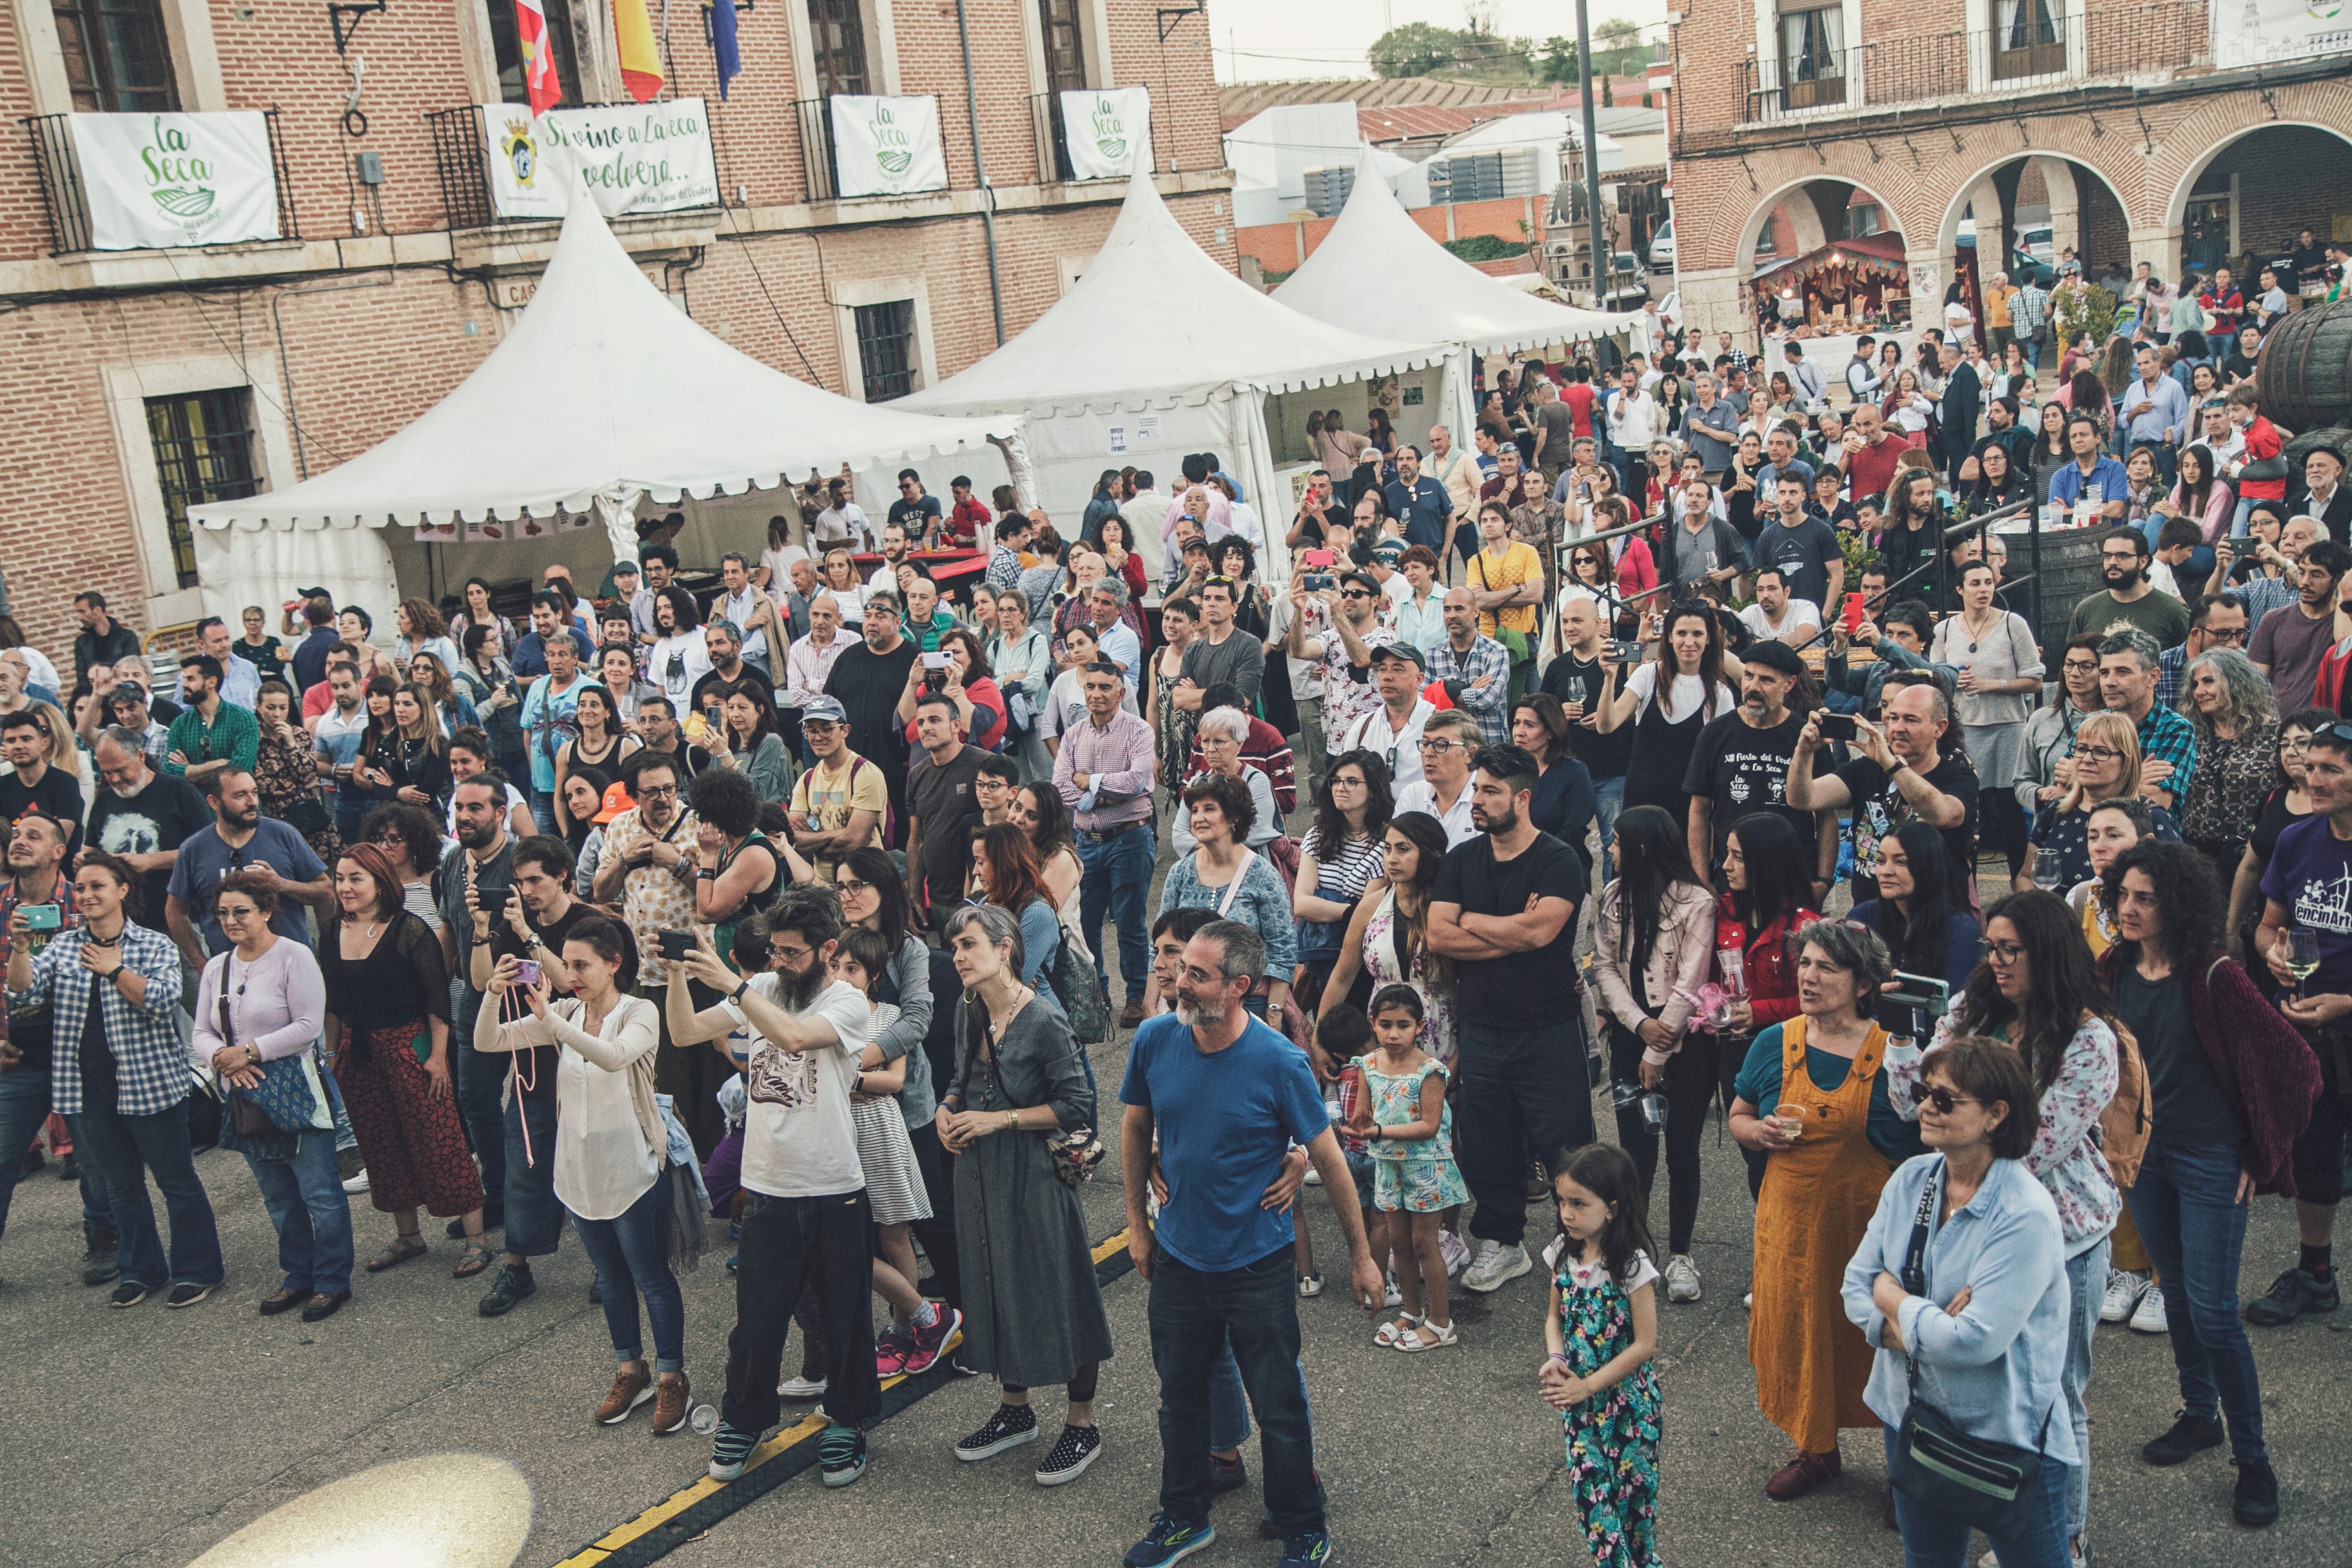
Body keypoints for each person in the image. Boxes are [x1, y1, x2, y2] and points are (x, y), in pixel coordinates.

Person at [1119, 918, 1378, 1568]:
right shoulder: (1155, 1039)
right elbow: (1134, 1128)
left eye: (1197, 975)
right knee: (1180, 1397)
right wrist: (1136, 1224)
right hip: (1179, 1254)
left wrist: (1364, 1258)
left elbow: (1331, 1157)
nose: (1180, 983)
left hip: (1257, 1262)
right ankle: (1184, 1516)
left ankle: (1301, 1524)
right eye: (1180, 969)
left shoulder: (1279, 1061)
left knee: (1278, 1403)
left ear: (1239, 986)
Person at [1884, 891, 2122, 1558]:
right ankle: (1975, 1500)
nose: (1995, 961)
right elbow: (1910, 1102)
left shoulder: (2088, 1040)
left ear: (2048, 951)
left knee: (2053, 1395)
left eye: (2010, 949)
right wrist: (1902, 1035)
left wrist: (1952, 1114)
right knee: (1968, 1387)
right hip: (1962, 1225)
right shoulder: (1971, 1007)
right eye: (1990, 947)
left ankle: (2064, 1540)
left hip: (2064, 1239)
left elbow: (2029, 1147)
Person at [2114, 840, 2313, 1529]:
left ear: (2178, 904)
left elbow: (2297, 1067)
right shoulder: (2113, 968)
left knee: (2214, 1310)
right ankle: (2200, 1417)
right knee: (2175, 1294)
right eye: (2124, 895)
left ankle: (2254, 1460)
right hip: (2147, 1158)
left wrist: (2261, 1156)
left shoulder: (2216, 975)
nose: (2130, 909)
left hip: (2210, 1162)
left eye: (2146, 897)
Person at [666, 889, 884, 1488]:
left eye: (792, 953)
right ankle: (745, 1418)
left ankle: (847, 1419)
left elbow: (792, 1038)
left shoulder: (850, 1003)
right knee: (756, 1323)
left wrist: (733, 986)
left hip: (834, 1188)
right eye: (775, 952)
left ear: (828, 950)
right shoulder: (761, 987)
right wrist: (678, 977)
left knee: (844, 1319)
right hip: (767, 1190)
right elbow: (685, 1032)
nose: (780, 962)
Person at [1842, 1036, 2077, 1566]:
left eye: (1945, 1100)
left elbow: (1973, 1343)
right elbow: (1855, 1287)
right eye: (1926, 1092)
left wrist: (1893, 1294)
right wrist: (1925, 1319)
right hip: (1913, 1417)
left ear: (1996, 1114)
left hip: (2005, 1435)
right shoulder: (1910, 1180)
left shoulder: (2025, 1215)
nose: (1925, 1105)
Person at [918, 903, 1116, 1481]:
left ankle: (1082, 1424)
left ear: (1005, 949)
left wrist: (996, 1122)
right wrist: (947, 1112)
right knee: (995, 1285)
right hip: (980, 1175)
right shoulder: (968, 1008)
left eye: (969, 945)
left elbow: (1077, 1105)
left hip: (1034, 1177)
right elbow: (958, 1079)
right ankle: (1015, 1411)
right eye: (954, 947)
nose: (957, 957)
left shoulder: (1044, 1021)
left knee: (1061, 1291)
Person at [1726, 919, 1920, 1500]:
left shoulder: (1893, 1055)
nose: (1807, 977)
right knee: (1803, 1333)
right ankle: (1817, 1452)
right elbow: (1737, 1114)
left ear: (1864, 984)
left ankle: (1906, 1473)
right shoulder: (1774, 1041)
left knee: (1881, 1342)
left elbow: (1920, 1146)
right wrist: (1757, 1133)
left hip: (1868, 1229)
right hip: (1791, 1226)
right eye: (1805, 963)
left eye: (1825, 968)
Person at [478, 915, 691, 1429]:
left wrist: (553, 1024)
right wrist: (492, 992)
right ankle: (630, 1369)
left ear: (614, 965)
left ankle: (671, 1378)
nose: (571, 974)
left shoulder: (639, 1011)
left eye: (582, 965)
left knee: (651, 1279)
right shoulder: (567, 1011)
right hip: (578, 1174)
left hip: (633, 1171)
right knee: (611, 1280)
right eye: (567, 963)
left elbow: (614, 1058)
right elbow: (489, 1041)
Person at [7, 850, 213, 1308]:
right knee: (122, 1186)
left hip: (150, 1083)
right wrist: (20, 951)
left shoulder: (154, 945)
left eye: (96, 886)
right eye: (79, 888)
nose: (85, 895)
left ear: (122, 890)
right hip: (87, 1090)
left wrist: (115, 969)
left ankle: (197, 1269)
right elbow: (23, 992)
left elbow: (161, 1002)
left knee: (176, 1182)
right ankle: (141, 1270)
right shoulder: (61, 946)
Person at [1428, 744, 1592, 1296]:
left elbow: (1541, 932)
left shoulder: (1558, 860)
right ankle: (1503, 1242)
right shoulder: (1461, 860)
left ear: (1522, 798)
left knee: (1567, 1145)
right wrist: (1509, 932)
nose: (1478, 800)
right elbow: (1439, 936)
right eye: (1476, 788)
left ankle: (1588, 1248)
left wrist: (1479, 925)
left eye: (1491, 791)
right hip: (1482, 1028)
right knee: (1486, 1143)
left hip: (1547, 1027)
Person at [195, 870, 351, 1321]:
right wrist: (223, 1057)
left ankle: (332, 1280)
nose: (231, 921)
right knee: (279, 1197)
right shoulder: (216, 966)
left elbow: (308, 1026)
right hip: (246, 1098)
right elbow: (201, 1031)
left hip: (294, 1089)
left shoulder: (293, 956)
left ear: (266, 911)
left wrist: (248, 1052)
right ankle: (297, 1275)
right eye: (223, 913)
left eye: (241, 911)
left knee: (319, 1193)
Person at [1592, 805, 1718, 1305]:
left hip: (1684, 1041)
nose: (1609, 850)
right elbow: (1604, 967)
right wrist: (1638, 1025)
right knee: (1633, 1152)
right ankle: (1632, 1252)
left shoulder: (1697, 903)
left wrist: (1657, 1046)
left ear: (1642, 848)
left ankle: (1682, 1253)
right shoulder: (1613, 897)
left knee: (1682, 1147)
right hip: (1633, 1031)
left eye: (1618, 842)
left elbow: (1692, 980)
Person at [1347, 984, 1465, 1353]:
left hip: (1425, 1167)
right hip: (1388, 1167)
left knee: (1424, 1244)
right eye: (1386, 1024)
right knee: (1399, 1243)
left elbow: (1429, 1126)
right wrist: (1359, 1122)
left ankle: (1442, 1323)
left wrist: (1377, 1131)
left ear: (1420, 1026)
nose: (1394, 1034)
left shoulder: (1430, 1071)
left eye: (1403, 1025)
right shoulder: (1367, 1065)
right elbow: (1364, 1114)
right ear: (1373, 1024)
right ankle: (1413, 1313)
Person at [1790, 676, 1981, 900]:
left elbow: (1942, 815)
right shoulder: (1865, 769)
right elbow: (1802, 799)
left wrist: (1891, 764)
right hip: (1870, 914)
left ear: (1939, 728)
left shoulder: (1959, 775)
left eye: (1911, 720)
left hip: (1934, 917)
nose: (1898, 728)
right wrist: (1804, 753)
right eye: (1892, 718)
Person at [1680, 638, 1829, 897]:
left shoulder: (1806, 736)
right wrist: (1702, 879)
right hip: (1733, 875)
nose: (1753, 687)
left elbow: (1827, 815)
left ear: (1789, 684)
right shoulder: (1715, 733)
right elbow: (1699, 810)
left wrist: (1825, 880)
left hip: (1793, 876)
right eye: (1748, 676)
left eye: (1766, 680)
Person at [1054, 659, 1157, 1028]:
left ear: (1121, 691)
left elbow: (1135, 783)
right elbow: (1062, 787)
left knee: (1131, 920)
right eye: (1091, 687)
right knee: (1086, 921)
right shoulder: (1074, 735)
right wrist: (1105, 791)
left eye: (1104, 688)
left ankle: (1136, 996)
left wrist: (1090, 783)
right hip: (1086, 842)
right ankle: (1097, 994)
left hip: (1128, 837)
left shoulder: (1139, 731)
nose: (1096, 694)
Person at [1156, 773, 1294, 1018]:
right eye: (1195, 810)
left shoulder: (1263, 875)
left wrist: (1274, 1012)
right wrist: (1151, 1004)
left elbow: (1282, 951)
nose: (1198, 818)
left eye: (1209, 809)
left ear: (1234, 817)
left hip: (1248, 1004)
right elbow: (1159, 943)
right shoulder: (1180, 873)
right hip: (1188, 1000)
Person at [2019, 710, 2178, 894]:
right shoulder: (2057, 810)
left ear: (2126, 761)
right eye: (2081, 749)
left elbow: (2179, 889)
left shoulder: (2151, 817)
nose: (2087, 759)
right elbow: (2025, 877)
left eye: (2101, 752)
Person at [1600, 602, 1737, 817]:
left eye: (1698, 634)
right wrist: (1609, 679)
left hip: (1689, 808)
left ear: (1709, 638)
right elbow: (1607, 725)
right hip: (1641, 802)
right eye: (1681, 633)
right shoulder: (1648, 675)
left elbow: (1722, 761)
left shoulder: (1721, 694)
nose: (1689, 642)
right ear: (1670, 636)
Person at [2225, 708, 2325, 970]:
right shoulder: (2274, 798)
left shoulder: (2333, 807)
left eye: (2302, 743)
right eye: (2284, 744)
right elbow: (2250, 866)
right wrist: (2232, 928)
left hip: (2322, 936)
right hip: (2270, 932)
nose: (2290, 752)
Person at [1292, 750, 1391, 1009]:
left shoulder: (1386, 843)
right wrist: (1349, 911)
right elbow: (1301, 904)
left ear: (1373, 789)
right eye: (1335, 781)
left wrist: (1325, 907)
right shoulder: (1317, 835)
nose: (1340, 788)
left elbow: (1369, 916)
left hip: (1360, 958)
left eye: (1352, 782)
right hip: (1319, 954)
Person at [825, 589, 922, 840]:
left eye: (880, 616)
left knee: (896, 839)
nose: (871, 622)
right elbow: (828, 707)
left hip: (897, 771)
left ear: (897, 622)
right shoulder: (849, 658)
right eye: (868, 616)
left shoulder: (914, 659)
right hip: (851, 768)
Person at [2176, 648, 2279, 880]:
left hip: (2250, 859)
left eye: (2209, 682)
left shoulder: (2276, 734)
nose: (2199, 692)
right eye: (2195, 685)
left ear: (2236, 682)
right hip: (2194, 855)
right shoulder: (2189, 732)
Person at [1852, 820, 1983, 995]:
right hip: (1866, 1021)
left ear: (1929, 867)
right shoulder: (1862, 918)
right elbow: (1842, 990)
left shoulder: (1960, 929)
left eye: (1901, 862)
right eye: (1881, 861)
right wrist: (1872, 996)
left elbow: (1953, 1006)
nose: (1885, 871)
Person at [2097, 627, 2199, 813]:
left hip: (2149, 839)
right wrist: (2137, 779)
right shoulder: (2092, 724)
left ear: (2153, 677)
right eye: (2104, 673)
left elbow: (2156, 802)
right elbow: (2063, 794)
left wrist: (2093, 782)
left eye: (2122, 672)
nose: (2109, 682)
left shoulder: (2176, 730)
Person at [2249, 538, 2350, 713]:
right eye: (2301, 572)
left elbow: (2344, 642)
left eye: (2316, 575)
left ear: (2338, 579)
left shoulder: (2343, 622)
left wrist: (2341, 592)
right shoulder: (2274, 619)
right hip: (2278, 727)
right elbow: (2253, 682)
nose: (2304, 582)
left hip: (2323, 731)